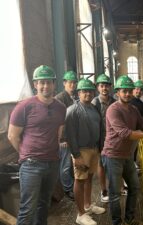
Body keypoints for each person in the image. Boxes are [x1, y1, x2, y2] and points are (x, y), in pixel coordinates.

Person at [7, 65, 66, 225]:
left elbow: (58, 133)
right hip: (31, 165)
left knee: (44, 205)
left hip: (53, 163)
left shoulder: (60, 108)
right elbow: (12, 135)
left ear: (54, 84)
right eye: (41, 82)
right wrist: (26, 154)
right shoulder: (24, 107)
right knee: (27, 209)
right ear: (35, 84)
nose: (45, 86)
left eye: (48, 82)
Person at [102, 75, 143, 225]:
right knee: (115, 193)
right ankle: (117, 222)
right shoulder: (112, 110)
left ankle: (129, 219)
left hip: (127, 156)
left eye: (129, 91)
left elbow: (142, 125)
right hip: (113, 155)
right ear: (117, 93)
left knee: (134, 187)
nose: (127, 94)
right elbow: (125, 133)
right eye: (124, 91)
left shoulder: (134, 110)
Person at [65, 78, 105, 225]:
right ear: (79, 93)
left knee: (89, 178)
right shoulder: (72, 110)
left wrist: (99, 148)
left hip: (93, 149)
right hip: (81, 151)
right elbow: (70, 135)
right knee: (80, 180)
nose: (87, 93)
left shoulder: (94, 108)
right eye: (84, 91)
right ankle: (80, 214)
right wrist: (76, 156)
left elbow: (100, 128)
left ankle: (88, 206)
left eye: (89, 91)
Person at [91, 73, 115, 203]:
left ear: (110, 87)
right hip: (100, 140)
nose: (104, 88)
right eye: (102, 86)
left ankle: (115, 188)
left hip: (114, 140)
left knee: (113, 164)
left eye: (106, 86)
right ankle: (103, 190)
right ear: (98, 88)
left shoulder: (114, 102)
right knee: (101, 165)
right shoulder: (95, 103)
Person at [55, 70, 78, 200]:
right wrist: (62, 139)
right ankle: (68, 189)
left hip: (72, 136)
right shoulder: (60, 99)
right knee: (65, 166)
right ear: (64, 83)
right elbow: (59, 120)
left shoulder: (73, 98)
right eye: (70, 82)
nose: (73, 85)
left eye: (74, 82)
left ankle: (72, 186)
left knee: (71, 164)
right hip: (64, 139)